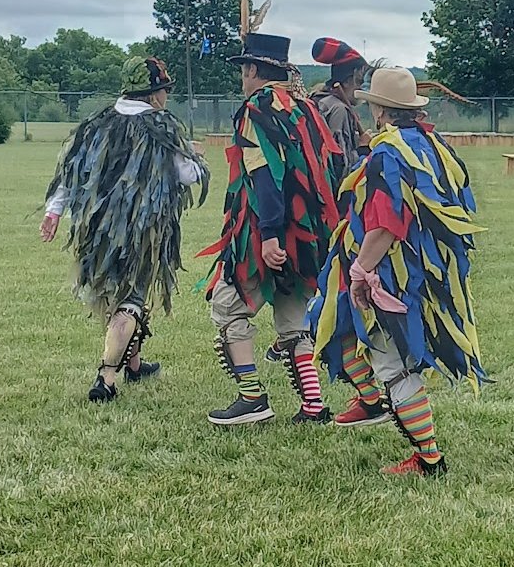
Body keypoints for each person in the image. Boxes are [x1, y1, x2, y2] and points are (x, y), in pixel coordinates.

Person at [309, 67, 487, 475]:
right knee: (332, 322)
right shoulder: (428, 143)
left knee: (391, 361)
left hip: (392, 271)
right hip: (416, 265)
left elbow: (387, 223)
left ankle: (429, 458)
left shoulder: (390, 152)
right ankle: (371, 402)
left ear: (379, 109)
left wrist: (360, 271)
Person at [40, 56, 209, 402]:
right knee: (131, 298)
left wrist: (54, 210)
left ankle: (133, 363)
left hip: (97, 230)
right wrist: (197, 159)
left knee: (116, 295)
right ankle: (107, 377)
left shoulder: (98, 123)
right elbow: (187, 175)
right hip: (141, 231)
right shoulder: (160, 125)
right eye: (164, 90)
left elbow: (73, 171)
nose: (166, 96)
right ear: (152, 93)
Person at [199, 32, 342, 426]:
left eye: (243, 70)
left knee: (227, 308)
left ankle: (252, 398)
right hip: (309, 234)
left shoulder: (257, 110)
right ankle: (313, 406)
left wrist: (271, 234)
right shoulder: (304, 108)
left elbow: (264, 175)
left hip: (269, 231)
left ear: (251, 70)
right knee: (293, 316)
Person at [310, 37, 374, 190]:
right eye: (358, 82)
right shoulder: (339, 109)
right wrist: (363, 148)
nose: (360, 88)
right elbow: (341, 167)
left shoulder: (319, 101)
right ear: (346, 82)